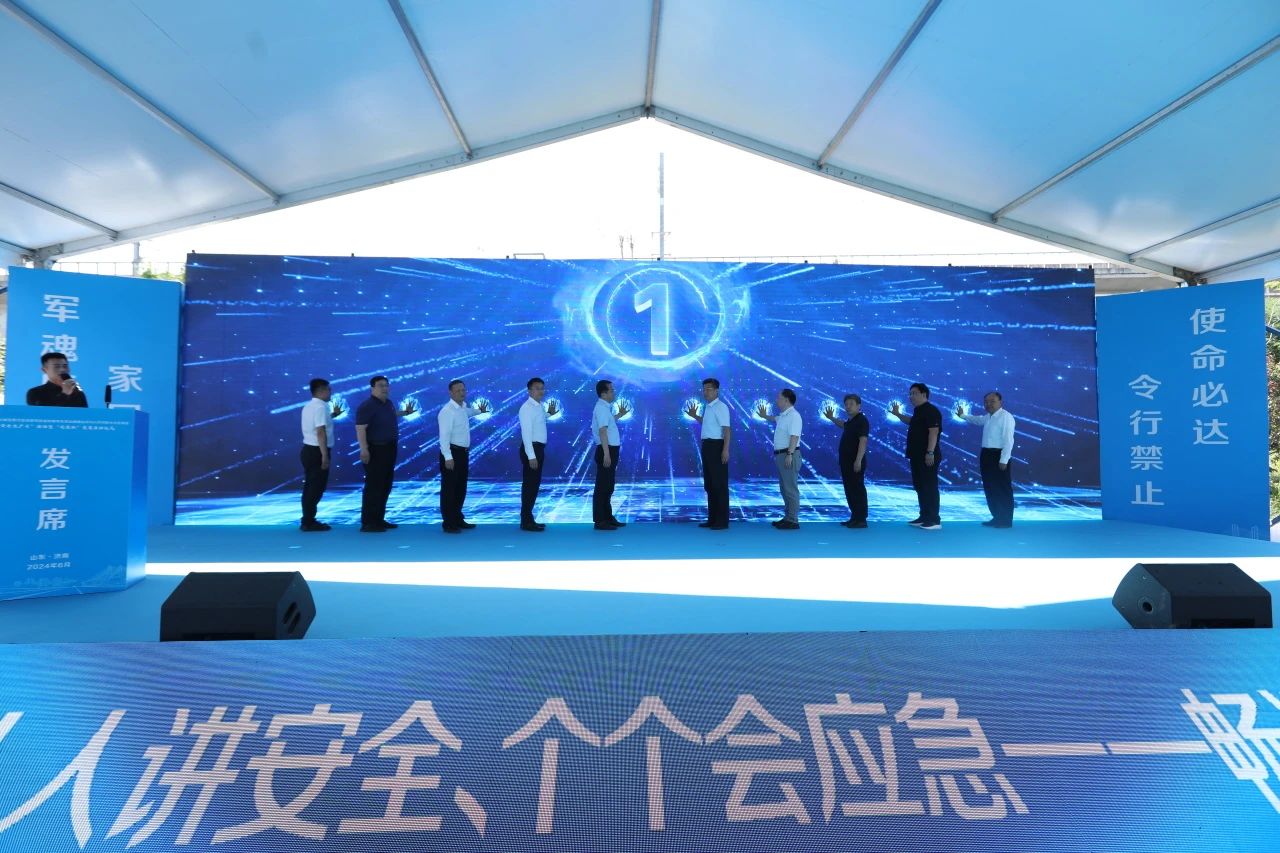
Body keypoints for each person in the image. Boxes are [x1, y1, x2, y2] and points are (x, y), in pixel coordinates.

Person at [354, 375, 417, 533]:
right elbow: (360, 428)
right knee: (374, 486)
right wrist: (364, 449)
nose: (384, 388)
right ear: (372, 388)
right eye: (380, 385)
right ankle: (368, 522)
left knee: (385, 485)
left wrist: (405, 412)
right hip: (375, 449)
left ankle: (379, 519)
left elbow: (389, 415)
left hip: (389, 448)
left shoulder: (388, 403)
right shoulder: (367, 406)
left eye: (386, 385)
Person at [437, 379, 491, 534]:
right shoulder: (447, 411)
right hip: (452, 453)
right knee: (449, 489)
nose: (462, 393)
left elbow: (468, 412)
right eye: (458, 390)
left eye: (463, 390)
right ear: (451, 392)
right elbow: (444, 437)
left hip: (463, 453)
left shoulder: (462, 407)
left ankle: (457, 518)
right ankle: (448, 522)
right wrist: (448, 457)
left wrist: (479, 411)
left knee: (460, 487)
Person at [956, 392, 1017, 528]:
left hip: (999, 456)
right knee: (990, 487)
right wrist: (963, 416)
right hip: (987, 455)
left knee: (1002, 488)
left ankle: (1006, 520)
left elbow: (1009, 441)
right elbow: (977, 420)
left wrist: (1004, 460)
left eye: (992, 401)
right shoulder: (988, 417)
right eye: (986, 402)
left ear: (1000, 402)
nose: (988, 404)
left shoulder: (1006, 417)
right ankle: (997, 516)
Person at [890, 382, 943, 530]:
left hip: (927, 456)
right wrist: (898, 414)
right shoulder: (918, 411)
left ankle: (934, 519)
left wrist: (930, 452)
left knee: (929, 486)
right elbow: (911, 422)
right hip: (916, 455)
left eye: (914, 393)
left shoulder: (931, 411)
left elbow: (933, 432)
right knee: (920, 486)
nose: (911, 396)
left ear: (924, 394)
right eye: (910, 393)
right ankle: (924, 516)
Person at [685, 378, 732, 529]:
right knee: (710, 484)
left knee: (719, 484)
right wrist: (695, 416)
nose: (705, 392)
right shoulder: (708, 407)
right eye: (704, 389)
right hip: (707, 446)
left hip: (717, 446)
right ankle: (712, 519)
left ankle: (722, 521)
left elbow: (727, 430)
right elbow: (707, 424)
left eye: (709, 389)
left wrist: (725, 449)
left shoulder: (721, 407)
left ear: (717, 390)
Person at [756, 389, 803, 529]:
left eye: (779, 398)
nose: (776, 400)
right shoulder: (783, 416)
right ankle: (788, 517)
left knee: (790, 489)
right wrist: (764, 416)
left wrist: (790, 454)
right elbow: (775, 419)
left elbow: (794, 436)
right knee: (784, 488)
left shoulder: (794, 416)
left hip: (788, 454)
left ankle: (793, 520)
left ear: (786, 400)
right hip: (782, 455)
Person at [518, 377, 558, 532]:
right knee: (529, 486)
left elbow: (538, 420)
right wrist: (531, 455)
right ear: (529, 391)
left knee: (534, 486)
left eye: (542, 388)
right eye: (537, 388)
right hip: (532, 449)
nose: (541, 391)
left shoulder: (539, 406)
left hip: (538, 449)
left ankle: (529, 519)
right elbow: (526, 433)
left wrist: (549, 414)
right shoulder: (526, 408)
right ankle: (526, 521)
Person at [299, 378, 338, 532]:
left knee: (310, 486)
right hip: (317, 451)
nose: (331, 392)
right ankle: (309, 522)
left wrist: (332, 415)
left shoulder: (309, 406)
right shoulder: (321, 407)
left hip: (308, 450)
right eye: (329, 389)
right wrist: (324, 455)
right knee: (316, 488)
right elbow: (320, 431)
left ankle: (307, 519)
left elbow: (318, 424)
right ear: (321, 390)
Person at [825, 394, 869, 528]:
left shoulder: (861, 420)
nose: (848, 407)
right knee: (850, 489)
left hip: (855, 462)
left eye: (851, 404)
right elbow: (843, 425)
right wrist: (832, 418)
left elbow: (863, 441)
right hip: (846, 462)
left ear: (859, 406)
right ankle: (854, 517)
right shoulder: (851, 421)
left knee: (857, 489)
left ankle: (861, 519)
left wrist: (858, 460)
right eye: (846, 404)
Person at [591, 379, 630, 530]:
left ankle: (607, 517)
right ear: (603, 393)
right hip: (606, 449)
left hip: (609, 449)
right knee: (603, 486)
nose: (614, 392)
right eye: (611, 390)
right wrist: (606, 454)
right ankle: (600, 520)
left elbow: (607, 423)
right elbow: (602, 431)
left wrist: (619, 414)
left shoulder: (605, 408)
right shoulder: (601, 408)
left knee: (608, 485)